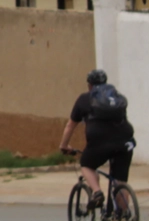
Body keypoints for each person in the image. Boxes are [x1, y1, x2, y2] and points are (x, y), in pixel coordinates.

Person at [57, 68, 136, 213]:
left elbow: (70, 126)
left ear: (89, 85)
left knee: (87, 164)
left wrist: (64, 145)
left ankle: (97, 192)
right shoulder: (116, 98)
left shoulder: (84, 99)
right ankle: (123, 217)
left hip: (99, 141)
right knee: (120, 181)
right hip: (125, 141)